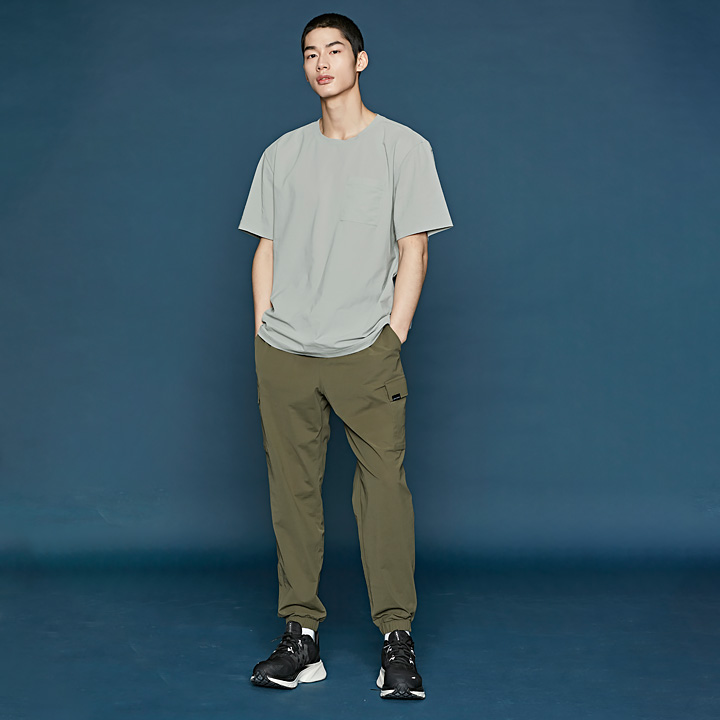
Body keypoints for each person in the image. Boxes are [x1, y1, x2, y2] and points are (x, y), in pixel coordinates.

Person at [237, 12, 453, 701]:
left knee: (383, 492)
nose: (322, 62)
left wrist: (393, 335)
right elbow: (266, 247)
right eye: (310, 53)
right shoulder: (281, 154)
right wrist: (264, 332)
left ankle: (397, 640)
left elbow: (415, 248)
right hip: (286, 353)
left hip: (366, 352)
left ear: (361, 61)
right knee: (292, 495)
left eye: (335, 50)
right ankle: (301, 637)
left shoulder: (403, 148)